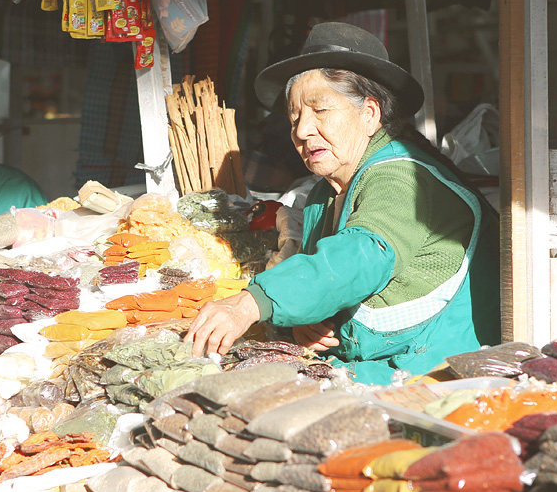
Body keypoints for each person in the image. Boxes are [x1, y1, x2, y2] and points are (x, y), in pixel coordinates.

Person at [186, 22, 500, 383]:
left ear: (370, 114)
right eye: (295, 118)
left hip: (441, 374)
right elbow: (332, 280)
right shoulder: (326, 191)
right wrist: (310, 320)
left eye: (320, 111)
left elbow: (359, 258)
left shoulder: (402, 178)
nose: (302, 130)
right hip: (383, 365)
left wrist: (250, 303)